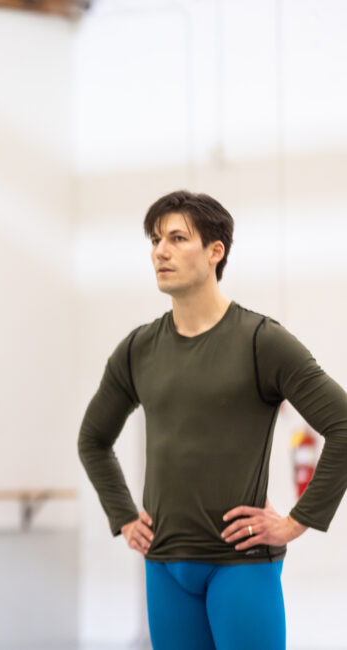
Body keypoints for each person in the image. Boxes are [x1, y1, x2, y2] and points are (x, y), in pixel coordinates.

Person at [77, 190, 347, 649]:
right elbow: (93, 440)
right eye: (156, 239)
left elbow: (343, 424)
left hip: (240, 568)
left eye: (177, 238)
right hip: (164, 567)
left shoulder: (262, 341)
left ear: (214, 251)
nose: (160, 251)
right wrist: (123, 515)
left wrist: (297, 521)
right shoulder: (137, 349)